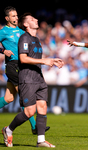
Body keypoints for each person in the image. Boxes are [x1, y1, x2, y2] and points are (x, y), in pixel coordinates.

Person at [2, 13, 64, 148]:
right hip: (27, 78)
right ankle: (8, 129)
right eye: (32, 19)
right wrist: (44, 61)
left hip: (39, 77)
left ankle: (41, 140)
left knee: (42, 107)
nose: (36, 20)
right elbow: (23, 59)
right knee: (29, 111)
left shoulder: (36, 39)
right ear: (26, 24)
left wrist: (51, 60)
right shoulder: (24, 38)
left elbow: (36, 58)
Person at [0, 6, 49, 134]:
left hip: (22, 66)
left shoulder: (22, 32)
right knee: (24, 93)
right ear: (7, 18)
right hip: (12, 66)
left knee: (8, 98)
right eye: (13, 16)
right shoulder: (3, 31)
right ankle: (34, 127)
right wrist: (3, 50)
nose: (16, 18)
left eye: (17, 15)